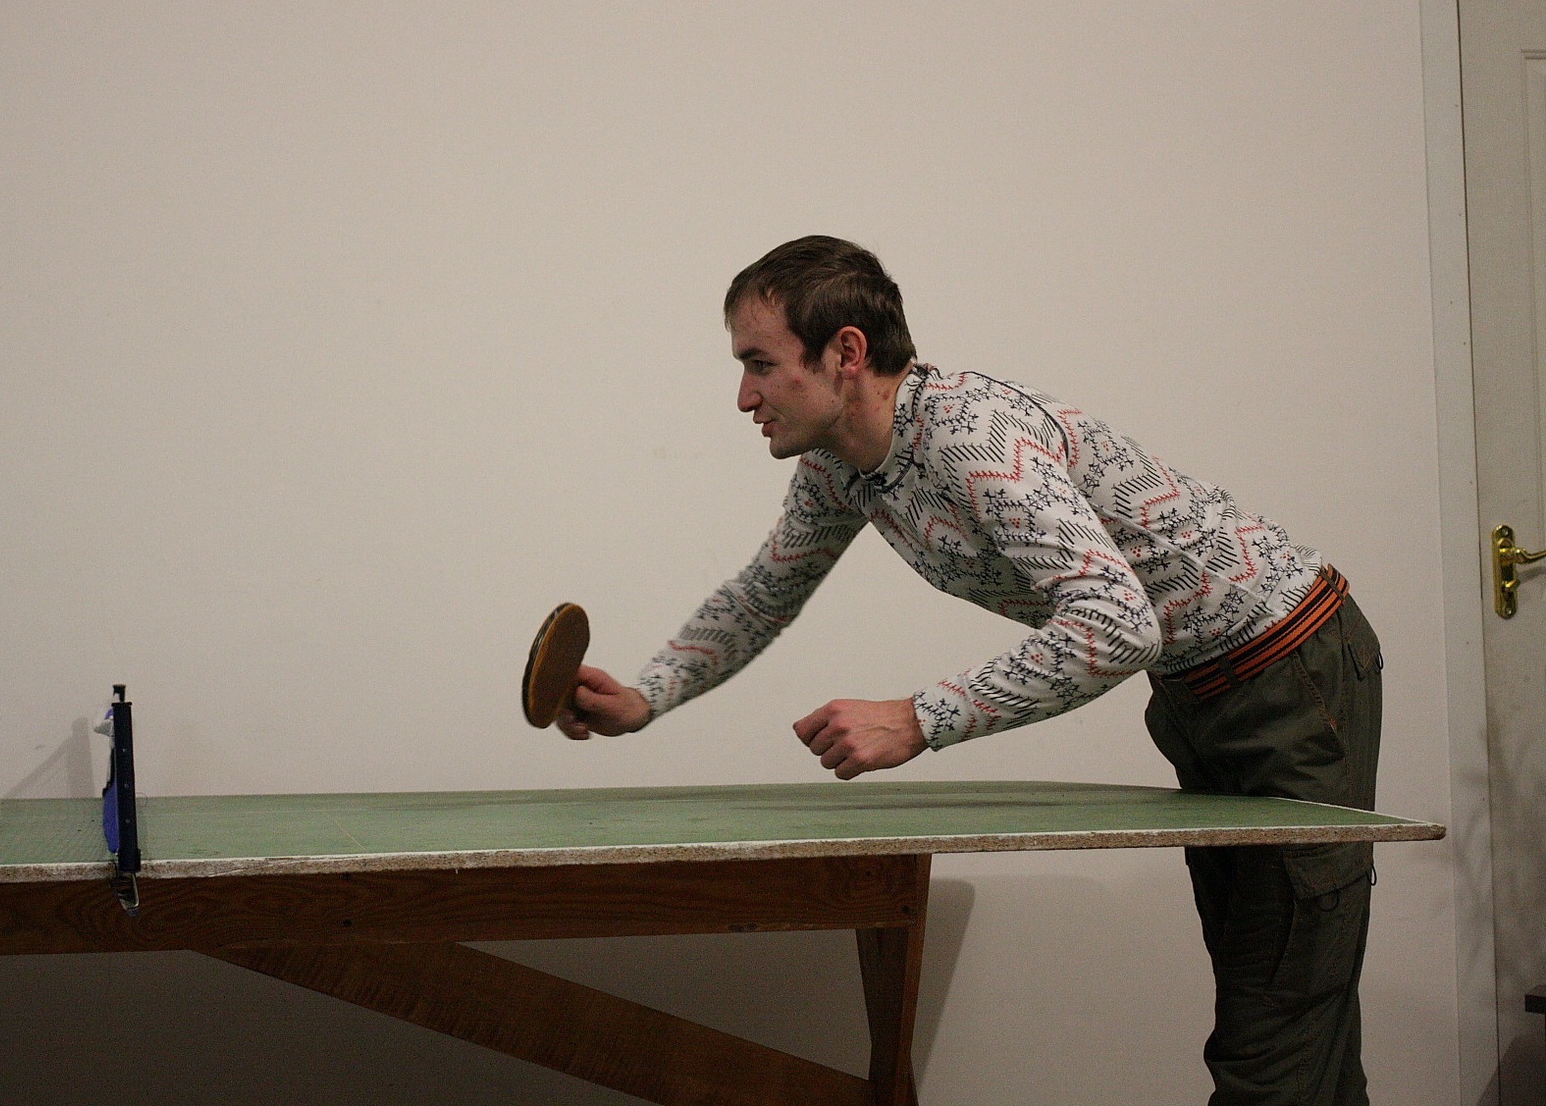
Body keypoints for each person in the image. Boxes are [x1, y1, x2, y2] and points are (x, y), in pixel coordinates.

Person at [560, 236, 1382, 1106]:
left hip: (1293, 676)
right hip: (1199, 695)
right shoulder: (838, 466)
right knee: (1296, 1020)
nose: (743, 396)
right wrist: (648, 695)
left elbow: (1115, 625)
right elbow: (764, 593)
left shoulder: (970, 434)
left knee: (1271, 1042)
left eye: (759, 364)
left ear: (846, 352)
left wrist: (918, 717)